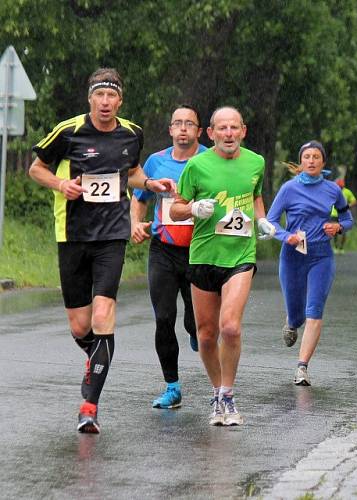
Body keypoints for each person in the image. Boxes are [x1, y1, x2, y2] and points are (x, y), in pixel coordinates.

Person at [28, 68, 173, 433]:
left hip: (112, 235)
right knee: (80, 326)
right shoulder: (68, 131)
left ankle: (89, 406)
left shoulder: (132, 133)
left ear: (120, 100)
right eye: (99, 96)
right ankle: (95, 359)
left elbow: (133, 172)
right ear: (90, 98)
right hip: (73, 236)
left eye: (112, 97)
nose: (105, 103)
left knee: (103, 313)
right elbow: (35, 169)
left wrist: (151, 183)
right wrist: (61, 183)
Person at [170, 106, 273, 426]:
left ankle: (228, 393)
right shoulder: (197, 166)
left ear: (243, 131)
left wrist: (262, 220)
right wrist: (192, 209)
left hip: (240, 255)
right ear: (211, 133)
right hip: (203, 256)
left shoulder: (256, 162)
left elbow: (254, 195)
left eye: (234, 128)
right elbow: (175, 210)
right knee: (205, 334)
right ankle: (217, 394)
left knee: (230, 327)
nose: (229, 133)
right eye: (222, 128)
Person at [130, 105, 207, 409]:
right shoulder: (156, 161)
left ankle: (194, 330)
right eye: (178, 123)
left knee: (194, 319)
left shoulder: (210, 160)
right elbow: (140, 199)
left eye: (190, 124)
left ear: (199, 132)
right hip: (162, 249)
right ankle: (172, 387)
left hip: (199, 249)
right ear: (171, 130)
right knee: (164, 318)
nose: (184, 128)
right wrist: (135, 223)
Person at [267, 141, 354, 386]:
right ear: (301, 162)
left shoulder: (333, 190)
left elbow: (348, 219)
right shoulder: (288, 189)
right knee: (297, 313)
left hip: (321, 256)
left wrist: (338, 227)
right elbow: (271, 222)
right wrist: (287, 237)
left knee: (314, 311)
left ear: (323, 163)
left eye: (316, 157)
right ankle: (292, 322)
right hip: (292, 255)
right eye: (307, 156)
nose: (312, 160)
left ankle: (302, 367)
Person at [333, 178, 357, 252]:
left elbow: (354, 201)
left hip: (344, 214)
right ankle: (336, 247)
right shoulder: (333, 191)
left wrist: (347, 206)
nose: (339, 187)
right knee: (334, 230)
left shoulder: (347, 192)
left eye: (341, 186)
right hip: (334, 214)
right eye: (338, 185)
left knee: (343, 230)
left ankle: (341, 247)